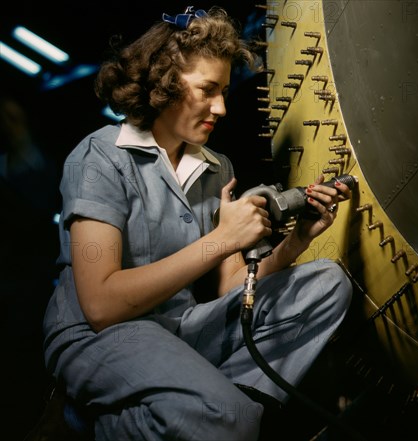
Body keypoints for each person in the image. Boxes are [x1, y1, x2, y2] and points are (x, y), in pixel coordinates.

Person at [41, 5, 353, 441]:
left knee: (328, 283)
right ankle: (113, 424)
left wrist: (296, 242)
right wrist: (222, 239)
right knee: (230, 420)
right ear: (164, 84)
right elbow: (101, 306)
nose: (222, 107)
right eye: (208, 89)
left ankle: (229, 413)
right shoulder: (100, 158)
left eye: (224, 90)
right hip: (100, 337)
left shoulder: (216, 169)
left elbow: (231, 290)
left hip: (179, 328)